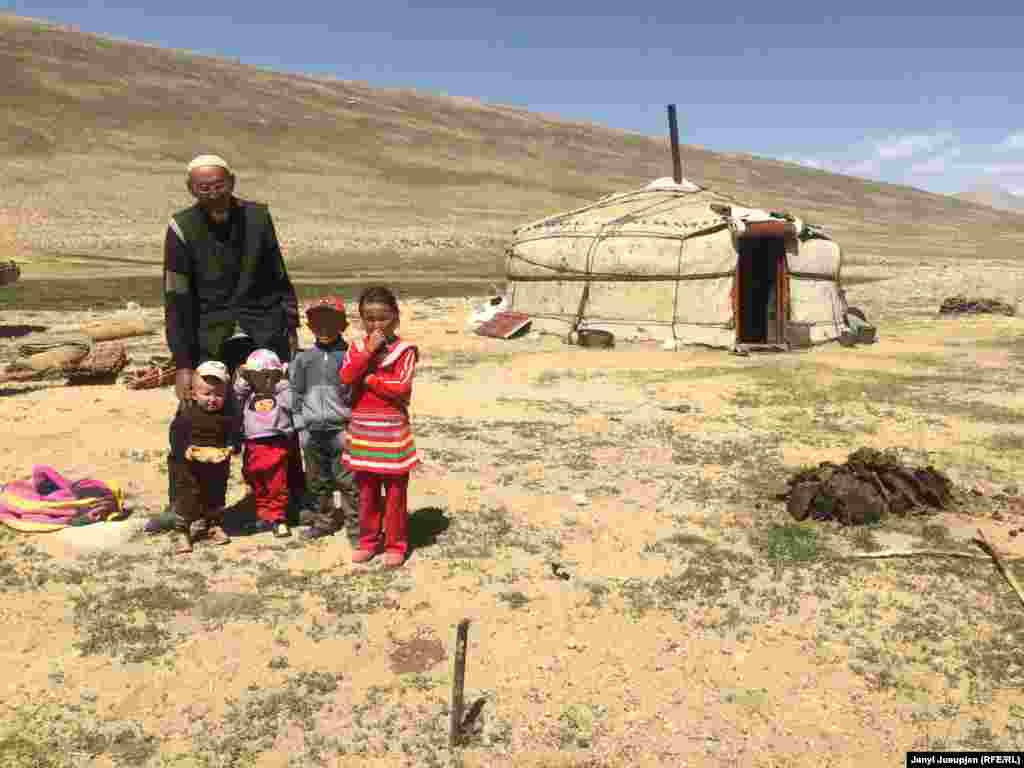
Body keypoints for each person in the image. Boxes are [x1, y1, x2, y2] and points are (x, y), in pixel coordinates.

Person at [163, 153, 302, 519]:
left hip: (264, 329)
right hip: (209, 334)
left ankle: (286, 499)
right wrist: (182, 363)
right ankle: (188, 506)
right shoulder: (181, 227)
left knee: (276, 418)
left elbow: (278, 275)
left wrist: (291, 330)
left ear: (232, 181)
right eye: (202, 187)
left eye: (218, 184)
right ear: (191, 189)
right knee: (196, 419)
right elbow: (176, 296)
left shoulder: (257, 217)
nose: (211, 192)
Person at [340, 286, 420, 567]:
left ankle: (396, 544)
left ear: (396, 318)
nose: (376, 325)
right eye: (369, 318)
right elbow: (347, 375)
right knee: (367, 494)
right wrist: (369, 353)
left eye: (383, 318)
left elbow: (401, 388)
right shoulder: (357, 348)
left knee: (396, 494)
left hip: (392, 433)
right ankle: (368, 542)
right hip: (364, 432)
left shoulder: (405, 351)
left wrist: (371, 381)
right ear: (362, 320)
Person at [290, 297, 361, 540]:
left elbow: (357, 394)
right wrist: (301, 427)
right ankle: (324, 521)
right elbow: (296, 392)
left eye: (330, 321)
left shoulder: (351, 356)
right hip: (311, 431)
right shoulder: (303, 359)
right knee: (317, 480)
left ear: (342, 325)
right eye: (317, 321)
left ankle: (356, 527)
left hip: (342, 430)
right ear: (309, 326)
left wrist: (352, 425)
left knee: (349, 482)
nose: (324, 327)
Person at [167, 361, 239, 555]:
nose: (212, 399)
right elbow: (175, 435)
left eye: (218, 394)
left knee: (215, 494)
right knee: (188, 495)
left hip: (217, 464)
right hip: (188, 465)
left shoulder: (228, 416)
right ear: (193, 393)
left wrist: (232, 446)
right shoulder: (187, 413)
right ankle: (182, 530)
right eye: (206, 394)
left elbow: (234, 434)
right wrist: (185, 450)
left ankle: (213, 524)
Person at [234, 349, 303, 537]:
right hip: (253, 443)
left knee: (276, 482)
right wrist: (244, 381)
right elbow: (235, 400)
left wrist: (280, 384)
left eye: (268, 376)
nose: (263, 381)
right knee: (255, 480)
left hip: (275, 441)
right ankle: (263, 514)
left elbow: (293, 404)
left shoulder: (281, 393)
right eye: (257, 376)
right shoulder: (249, 395)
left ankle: (278, 516)